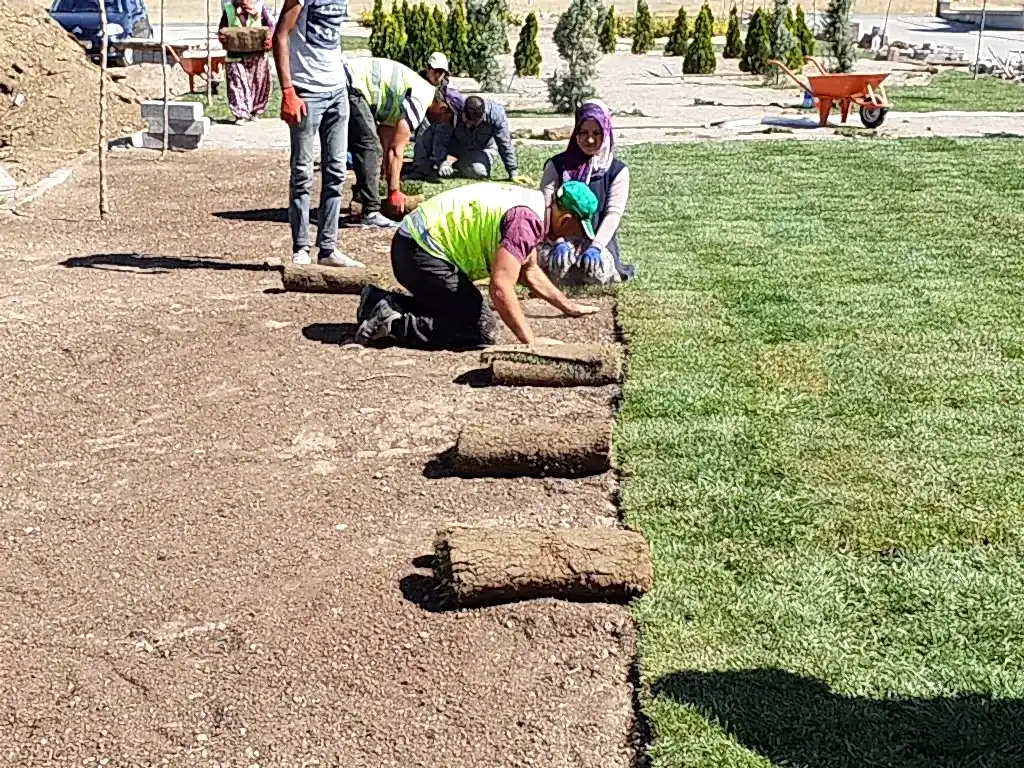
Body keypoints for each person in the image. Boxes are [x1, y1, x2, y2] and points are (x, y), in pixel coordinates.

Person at [353, 180, 602, 349]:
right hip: (418, 253)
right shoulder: (525, 223)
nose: (572, 236)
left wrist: (567, 305)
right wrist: (531, 342)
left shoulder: (534, 205)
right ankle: (394, 325)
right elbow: (500, 287)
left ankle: (380, 302)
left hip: (412, 244)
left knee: (462, 307)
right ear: (566, 219)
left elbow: (530, 270)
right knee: (482, 328)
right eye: (576, 230)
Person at [272, 0, 363, 268]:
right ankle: (301, 248)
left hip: (337, 91)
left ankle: (328, 248)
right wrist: (288, 91)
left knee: (336, 171)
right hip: (306, 92)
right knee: (302, 173)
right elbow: (280, 35)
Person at [539, 98, 635, 285]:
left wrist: (596, 247)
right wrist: (558, 241)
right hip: (558, 240)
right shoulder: (557, 166)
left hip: (597, 241)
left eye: (596, 133)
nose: (590, 140)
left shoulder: (617, 171)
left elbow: (613, 214)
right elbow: (545, 207)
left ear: (606, 132)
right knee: (559, 267)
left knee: (594, 272)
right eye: (584, 132)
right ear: (576, 133)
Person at [344, 57, 444, 228]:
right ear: (443, 108)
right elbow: (397, 150)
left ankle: (361, 200)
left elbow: (387, 142)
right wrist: (394, 192)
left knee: (369, 147)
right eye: (446, 118)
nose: (442, 123)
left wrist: (386, 173)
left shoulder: (402, 102)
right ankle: (371, 211)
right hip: (353, 84)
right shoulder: (422, 98)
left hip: (350, 82)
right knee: (369, 147)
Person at [409, 95, 526, 183]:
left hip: (477, 149)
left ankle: (457, 165)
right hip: (453, 142)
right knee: (428, 135)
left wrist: (513, 172)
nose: (470, 124)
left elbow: (504, 143)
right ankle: (419, 169)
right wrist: (442, 162)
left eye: (475, 122)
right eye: (468, 120)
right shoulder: (454, 108)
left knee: (479, 172)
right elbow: (440, 139)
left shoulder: (496, 114)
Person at [218, 0, 275, 123]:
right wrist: (223, 37)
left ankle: (255, 111)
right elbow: (222, 28)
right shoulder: (229, 9)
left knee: (258, 83)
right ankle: (241, 113)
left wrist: (269, 38)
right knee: (237, 83)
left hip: (257, 54)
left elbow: (271, 26)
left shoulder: (259, 8)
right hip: (236, 54)